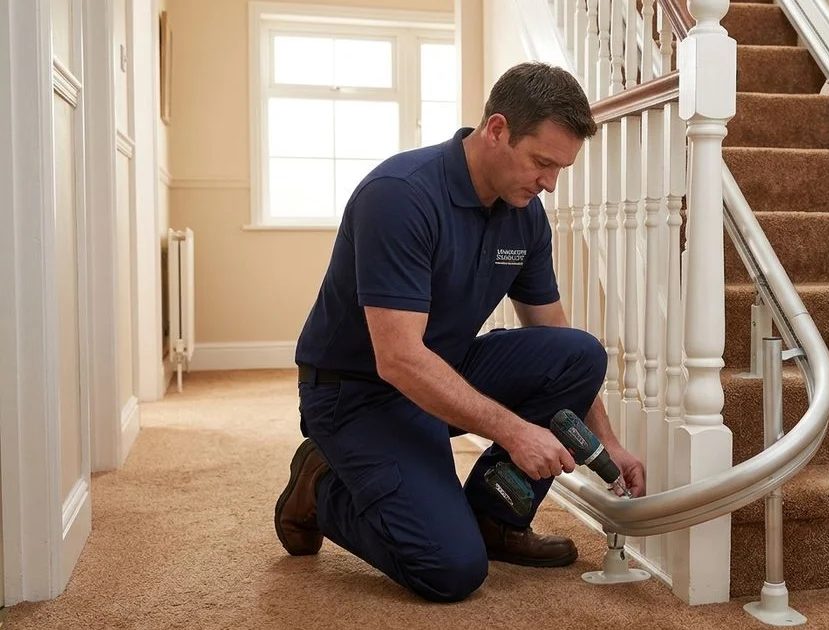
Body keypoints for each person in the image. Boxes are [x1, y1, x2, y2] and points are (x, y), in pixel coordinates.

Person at [273, 62, 647, 604]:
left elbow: (553, 331)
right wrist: (517, 432)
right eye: (542, 162)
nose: (549, 183)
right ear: (496, 130)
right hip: (357, 394)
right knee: (450, 570)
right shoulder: (400, 196)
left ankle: (497, 521)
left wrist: (607, 441)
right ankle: (322, 485)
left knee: (577, 354)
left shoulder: (524, 214)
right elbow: (398, 359)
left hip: (441, 370)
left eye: (560, 169)